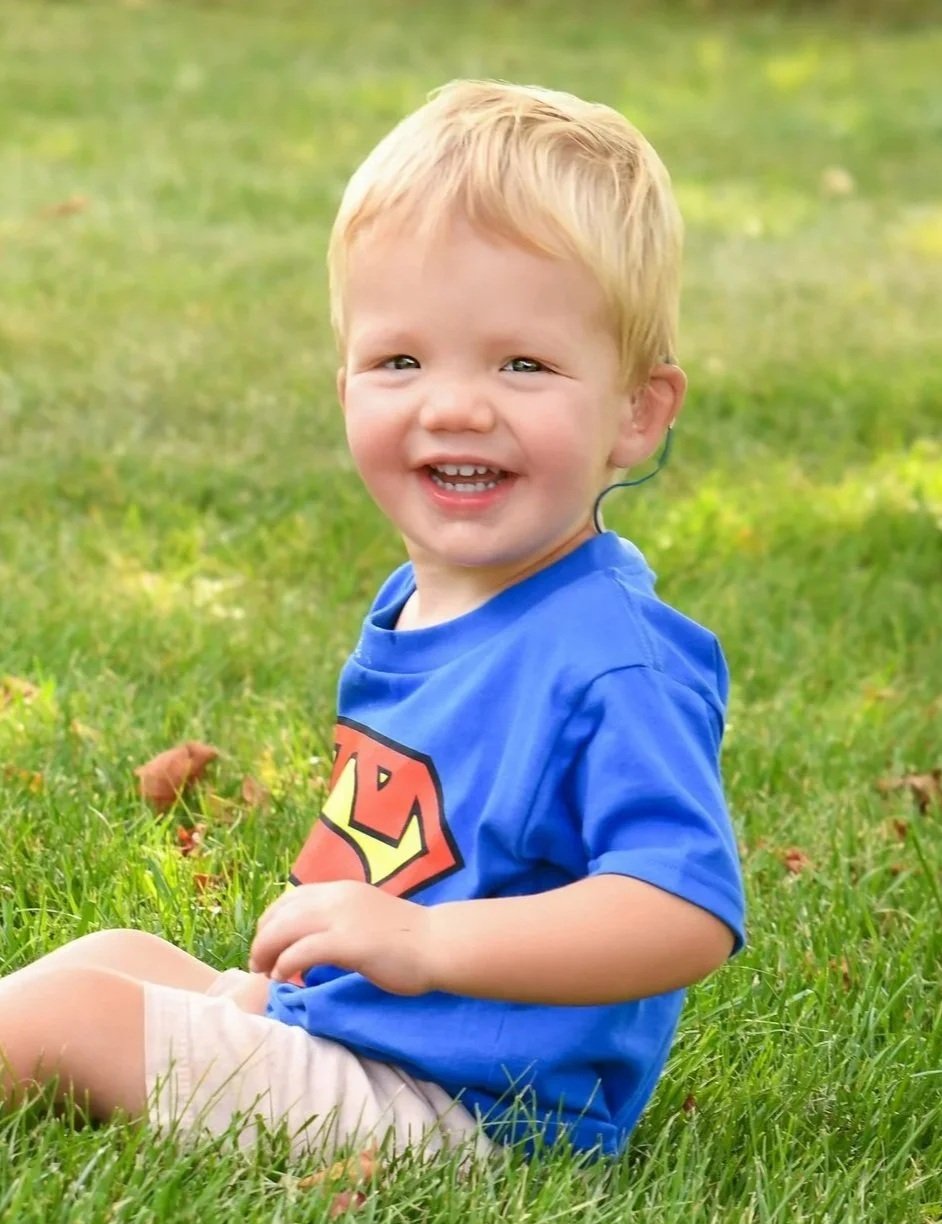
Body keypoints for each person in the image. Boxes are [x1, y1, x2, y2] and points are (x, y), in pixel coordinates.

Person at [0, 80, 744, 1161]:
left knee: (65, 1024)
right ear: (344, 382)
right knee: (110, 950)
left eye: (523, 363)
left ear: (636, 411)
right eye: (403, 359)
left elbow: (681, 909)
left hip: (470, 1107)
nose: (453, 404)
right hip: (361, 1029)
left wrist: (429, 941)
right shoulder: (425, 592)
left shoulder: (611, 658)